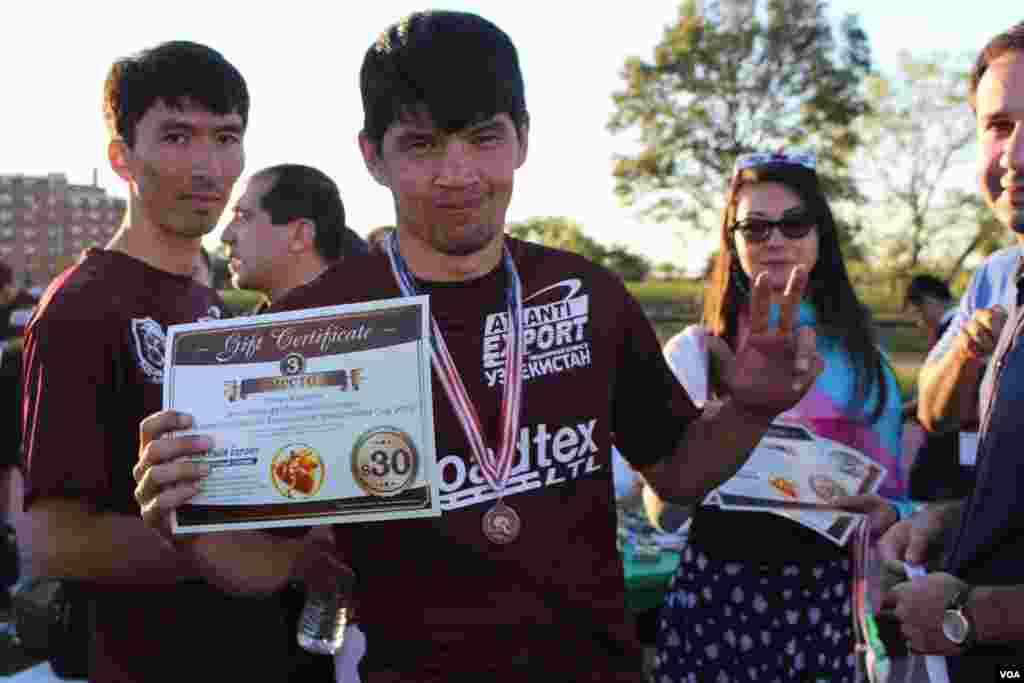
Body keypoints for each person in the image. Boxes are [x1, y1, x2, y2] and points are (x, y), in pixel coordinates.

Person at [132, 11, 825, 682]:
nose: (457, 173)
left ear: (522, 138)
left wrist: (750, 409)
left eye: (484, 137)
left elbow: (677, 473)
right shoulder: (311, 328)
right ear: (372, 156)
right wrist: (187, 521)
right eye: (422, 144)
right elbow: (262, 566)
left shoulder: (588, 296)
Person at [18, 41, 298, 683]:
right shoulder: (80, 307)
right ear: (122, 157)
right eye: (176, 136)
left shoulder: (209, 305)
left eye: (226, 137)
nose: (207, 166)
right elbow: (56, 542)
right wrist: (263, 553)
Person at [646, 150, 906, 683]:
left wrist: (887, 514)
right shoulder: (695, 354)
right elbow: (663, 515)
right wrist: (715, 438)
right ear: (733, 239)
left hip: (828, 605)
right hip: (716, 602)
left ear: (820, 235)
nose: (776, 240)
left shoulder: (866, 363)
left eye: (794, 223)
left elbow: (895, 497)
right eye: (755, 227)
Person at [879, 22, 1024, 679]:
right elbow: (938, 413)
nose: (1015, 154)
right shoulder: (999, 277)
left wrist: (974, 614)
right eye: (998, 125)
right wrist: (959, 519)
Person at [221, 163, 369, 682]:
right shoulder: (235, 346)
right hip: (262, 638)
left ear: (300, 234)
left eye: (243, 216)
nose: (226, 234)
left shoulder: (378, 334)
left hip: (370, 635)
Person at [901, 275, 977, 502]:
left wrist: (906, 410)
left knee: (930, 490)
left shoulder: (954, 330)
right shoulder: (961, 326)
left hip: (953, 432)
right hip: (963, 431)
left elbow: (952, 386)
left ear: (928, 302)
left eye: (917, 313)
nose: (919, 323)